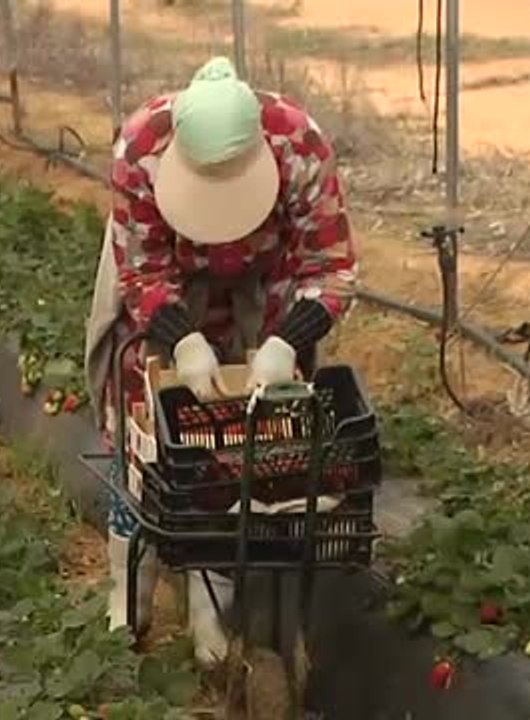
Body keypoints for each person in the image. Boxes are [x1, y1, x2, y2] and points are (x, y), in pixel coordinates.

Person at [83, 56, 357, 668]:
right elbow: (143, 269)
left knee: (244, 435)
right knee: (145, 429)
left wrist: (287, 341)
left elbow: (331, 265)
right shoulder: (140, 150)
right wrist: (180, 338)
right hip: (169, 274)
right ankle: (129, 595)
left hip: (267, 274)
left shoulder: (299, 144)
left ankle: (212, 597)